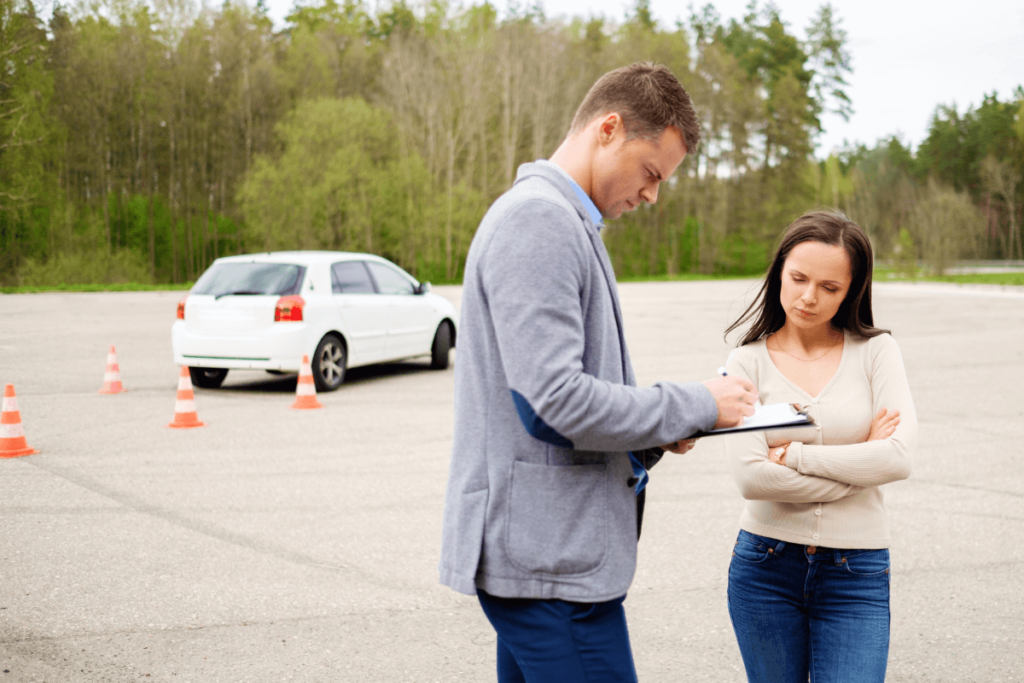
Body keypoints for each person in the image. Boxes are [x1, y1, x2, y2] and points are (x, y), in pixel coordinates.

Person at [439, 62, 758, 682]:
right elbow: (554, 402)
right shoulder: (540, 222)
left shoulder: (563, 221)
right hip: (549, 565)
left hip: (547, 555)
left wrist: (653, 432)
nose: (652, 194)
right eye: (651, 172)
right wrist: (692, 404)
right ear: (608, 129)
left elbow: (549, 395)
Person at [721, 210, 917, 683]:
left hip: (857, 573)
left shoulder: (877, 352)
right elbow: (752, 478)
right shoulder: (744, 362)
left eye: (829, 287)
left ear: (852, 290)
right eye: (799, 278)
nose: (809, 297)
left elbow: (898, 457)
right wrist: (860, 462)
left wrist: (796, 456)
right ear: (779, 273)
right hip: (764, 567)